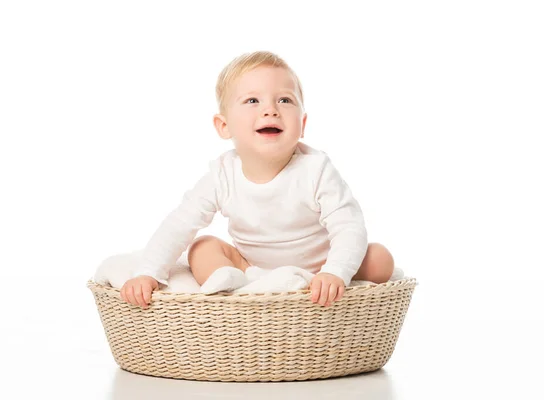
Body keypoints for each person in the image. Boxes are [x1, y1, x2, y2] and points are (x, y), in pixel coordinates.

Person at [120, 51, 394, 309]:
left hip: (319, 267)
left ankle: (314, 281)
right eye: (253, 101)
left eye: (285, 100)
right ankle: (235, 284)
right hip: (249, 267)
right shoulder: (222, 173)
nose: (271, 110)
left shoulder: (316, 168)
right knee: (202, 247)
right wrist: (148, 272)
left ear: (303, 124)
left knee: (380, 259)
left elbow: (348, 225)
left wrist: (336, 271)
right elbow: (180, 224)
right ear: (224, 126)